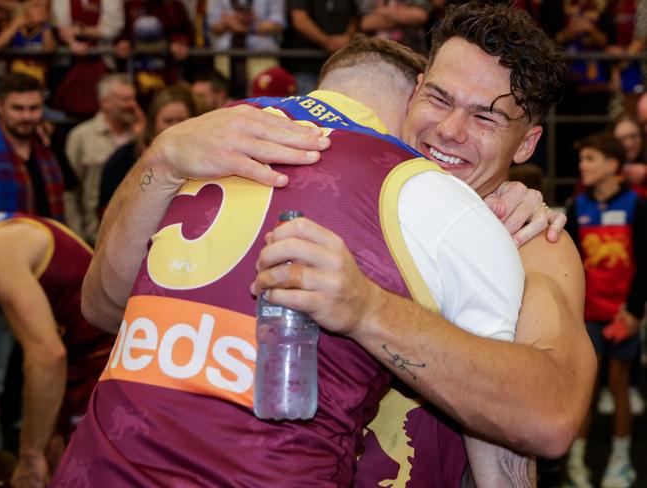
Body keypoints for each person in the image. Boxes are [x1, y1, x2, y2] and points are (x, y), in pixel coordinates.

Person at [74, 3, 593, 484]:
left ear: (526, 144)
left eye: (485, 117)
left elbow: (550, 414)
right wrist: (162, 157)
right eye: (438, 98)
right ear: (413, 91)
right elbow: (103, 307)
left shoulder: (530, 237)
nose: (450, 130)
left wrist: (368, 309)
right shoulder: (316, 185)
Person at [0, 212, 115, 488]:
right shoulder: (13, 230)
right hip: (85, 358)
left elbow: (48, 356)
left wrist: (29, 455)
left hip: (101, 364)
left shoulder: (2, 252)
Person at [564, 133, 646, 488]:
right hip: (587, 316)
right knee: (586, 387)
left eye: (590, 159)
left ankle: (620, 459)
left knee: (619, 383)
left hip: (622, 316)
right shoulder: (576, 207)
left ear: (613, 165)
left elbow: (644, 264)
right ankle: (576, 462)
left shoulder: (637, 205)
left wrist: (633, 312)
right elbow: (569, 265)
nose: (583, 166)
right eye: (582, 160)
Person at [64, 74, 141, 244]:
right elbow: (70, 192)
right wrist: (76, 236)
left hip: (134, 236)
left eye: (134, 98)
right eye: (125, 99)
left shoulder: (140, 137)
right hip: (94, 235)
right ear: (106, 102)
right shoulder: (81, 136)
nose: (133, 105)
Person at [98, 85, 196, 211]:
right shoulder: (123, 158)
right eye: (168, 121)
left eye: (181, 120)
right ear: (153, 123)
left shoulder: (201, 158)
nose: (175, 127)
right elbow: (107, 210)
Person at [0, 72, 64, 221]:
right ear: (0, 106)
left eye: (33, 108)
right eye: (17, 108)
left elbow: (70, 187)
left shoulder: (45, 146)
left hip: (47, 238)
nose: (26, 116)